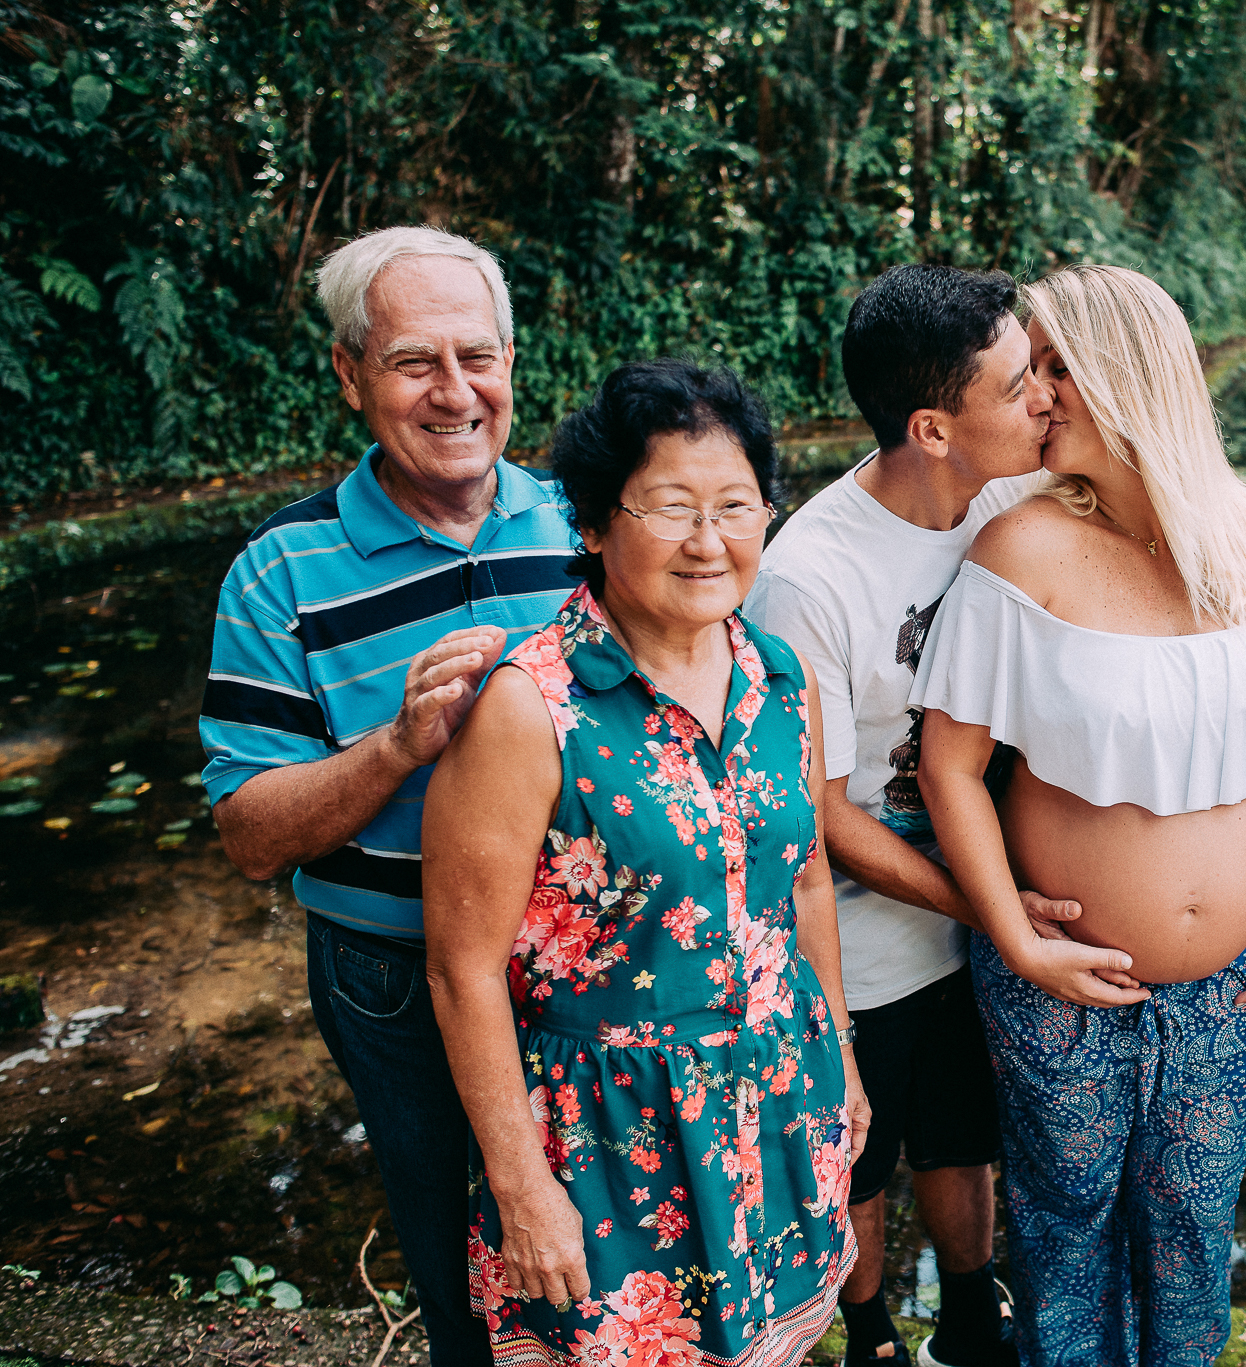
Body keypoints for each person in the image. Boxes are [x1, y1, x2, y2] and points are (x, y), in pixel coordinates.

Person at [911, 263, 1246, 1367]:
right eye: (1032, 372)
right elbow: (948, 767)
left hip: (1233, 981)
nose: (1038, 396)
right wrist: (1018, 937)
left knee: (1189, 1228)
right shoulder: (1017, 548)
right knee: (1060, 1229)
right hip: (1061, 978)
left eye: (1057, 369)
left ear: (1128, 378)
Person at [421, 358, 868, 1366]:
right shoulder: (528, 707)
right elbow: (461, 969)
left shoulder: (778, 675)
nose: (708, 541)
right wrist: (521, 1185)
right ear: (591, 522)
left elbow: (802, 880)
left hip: (777, 1094)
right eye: (670, 507)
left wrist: (837, 1053)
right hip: (607, 1141)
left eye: (735, 505)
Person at [200, 225, 577, 1366]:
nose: (454, 391)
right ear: (351, 372)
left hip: (586, 960)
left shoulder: (584, 523)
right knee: (462, 1245)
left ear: (513, 362)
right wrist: (397, 744)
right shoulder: (279, 569)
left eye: (479, 356)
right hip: (393, 974)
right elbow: (251, 835)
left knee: (606, 1238)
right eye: (417, 361)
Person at [745, 263, 1067, 1367]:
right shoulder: (806, 576)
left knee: (966, 1130)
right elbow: (823, 810)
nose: (1045, 400)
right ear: (934, 427)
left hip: (989, 900)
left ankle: (973, 1315)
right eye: (1018, 382)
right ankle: (870, 1330)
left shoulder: (1012, 498)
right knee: (863, 1152)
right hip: (863, 929)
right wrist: (989, 904)